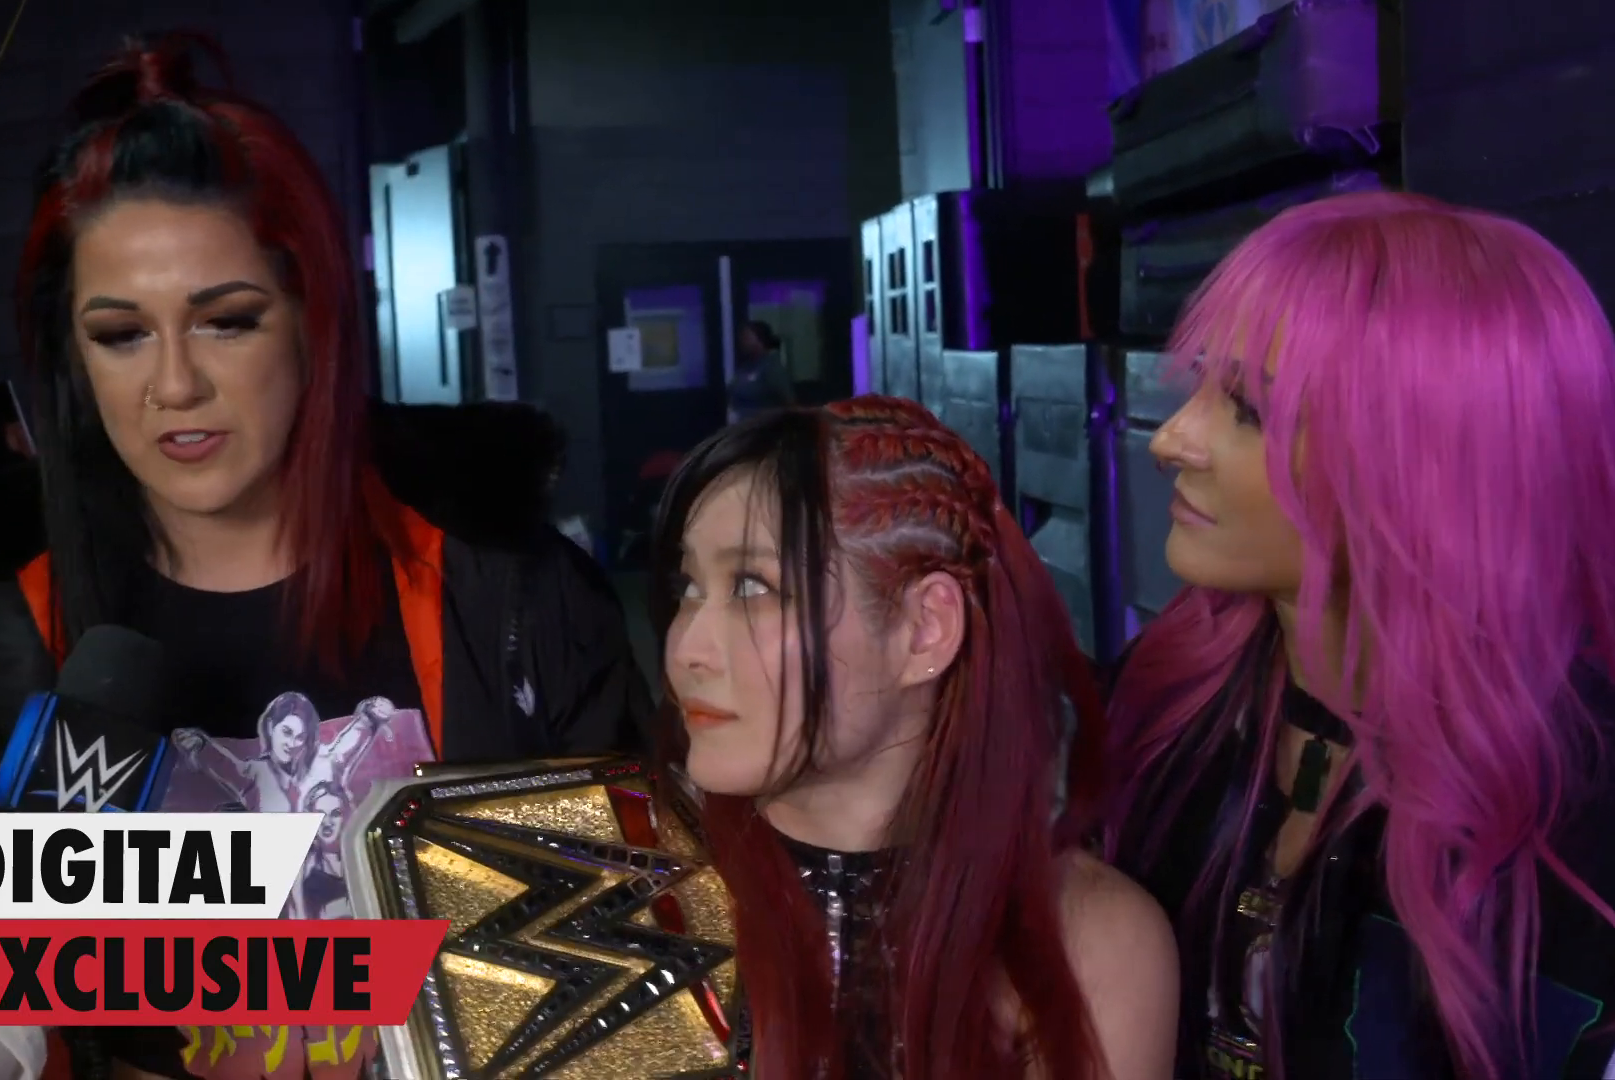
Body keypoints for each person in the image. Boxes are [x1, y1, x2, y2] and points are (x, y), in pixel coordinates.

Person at [0, 32, 649, 1080]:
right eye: (121, 335)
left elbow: (636, 951)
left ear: (311, 322)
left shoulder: (514, 602)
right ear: (74, 359)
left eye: (227, 322)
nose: (174, 385)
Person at [1101, 192, 1615, 1080]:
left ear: (1427, 464)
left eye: (1248, 409)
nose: (1172, 440)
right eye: (1200, 387)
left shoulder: (1585, 807)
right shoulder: (1165, 697)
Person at [651, 397, 1177, 1080]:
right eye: (690, 587)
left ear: (925, 629)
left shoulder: (1090, 941)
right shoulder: (625, 899)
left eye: (753, 588)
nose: (686, 648)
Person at [726, 318, 795, 421]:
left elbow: (788, 402)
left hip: (762, 426)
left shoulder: (771, 367)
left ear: (760, 340)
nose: (742, 342)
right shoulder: (745, 367)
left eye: (747, 337)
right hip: (740, 425)